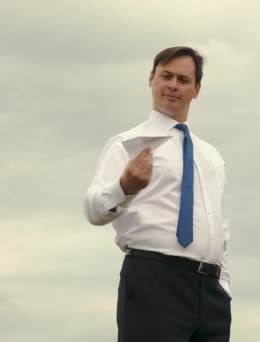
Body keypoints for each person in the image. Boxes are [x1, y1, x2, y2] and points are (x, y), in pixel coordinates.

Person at [83, 46, 232, 342]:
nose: (173, 85)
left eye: (183, 79)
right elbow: (93, 209)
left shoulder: (211, 156)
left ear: (197, 89)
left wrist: (223, 286)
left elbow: (219, 226)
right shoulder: (129, 144)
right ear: (151, 79)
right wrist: (124, 188)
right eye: (166, 76)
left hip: (211, 291)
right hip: (155, 279)